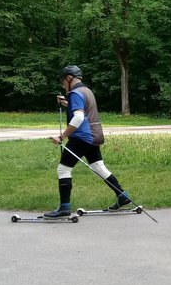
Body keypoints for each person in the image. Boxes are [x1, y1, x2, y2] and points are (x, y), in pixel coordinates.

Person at [45, 65, 131, 218]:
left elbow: (78, 117)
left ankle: (64, 208)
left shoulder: (75, 93)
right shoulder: (86, 91)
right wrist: (66, 104)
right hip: (94, 135)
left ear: (69, 78)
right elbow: (82, 110)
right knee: (98, 166)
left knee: (63, 169)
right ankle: (122, 195)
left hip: (82, 137)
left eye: (63, 81)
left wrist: (62, 136)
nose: (63, 85)